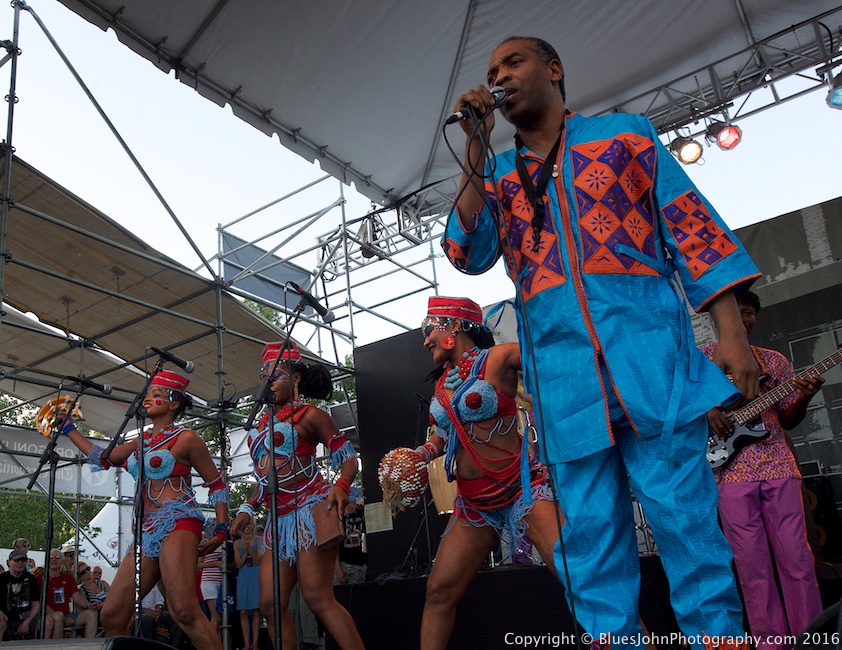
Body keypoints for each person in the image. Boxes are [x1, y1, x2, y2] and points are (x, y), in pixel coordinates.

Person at [443, 36, 763, 649]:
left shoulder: (625, 135)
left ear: (554, 69)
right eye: (492, 70)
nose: (500, 76)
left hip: (653, 366)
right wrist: (476, 146)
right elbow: (465, 251)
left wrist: (730, 332)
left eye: (513, 62)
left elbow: (689, 224)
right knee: (590, 548)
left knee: (689, 532)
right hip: (565, 384)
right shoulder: (498, 174)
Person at [379, 296, 562, 650]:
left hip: (521, 490)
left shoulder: (499, 358)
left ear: (454, 325)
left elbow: (548, 357)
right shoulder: (442, 384)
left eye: (428, 329)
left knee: (579, 576)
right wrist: (421, 454)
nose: (425, 340)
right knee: (438, 591)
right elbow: (444, 434)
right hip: (473, 504)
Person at [59, 370, 230, 649]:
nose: (148, 398)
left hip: (179, 522)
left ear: (174, 404)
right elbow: (103, 458)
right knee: (113, 614)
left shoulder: (186, 438)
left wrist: (221, 530)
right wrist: (69, 429)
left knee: (184, 610)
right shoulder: (141, 441)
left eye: (157, 394)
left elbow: (217, 484)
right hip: (147, 530)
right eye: (148, 394)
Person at [702, 290, 825, 650]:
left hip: (778, 466)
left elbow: (788, 418)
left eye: (749, 313)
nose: (744, 319)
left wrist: (805, 396)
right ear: (719, 317)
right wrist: (707, 411)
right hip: (731, 473)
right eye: (737, 312)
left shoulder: (774, 361)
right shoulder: (702, 360)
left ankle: (811, 639)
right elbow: (683, 407)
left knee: (798, 561)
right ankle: (772, 645)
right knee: (752, 568)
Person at [231, 341, 364, 650]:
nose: (268, 380)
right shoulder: (262, 425)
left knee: (317, 598)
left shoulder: (311, 415)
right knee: (269, 603)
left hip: (309, 512)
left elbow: (349, 458)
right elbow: (266, 478)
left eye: (276, 374)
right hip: (277, 522)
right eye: (264, 375)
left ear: (296, 378)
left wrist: (341, 485)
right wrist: (247, 508)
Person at [39, 549, 99, 638]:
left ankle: (88, 643)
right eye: (51, 558)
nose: (54, 559)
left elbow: (77, 597)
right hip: (49, 616)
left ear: (62, 561)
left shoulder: (68, 578)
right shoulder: (39, 578)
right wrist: (63, 619)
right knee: (58, 616)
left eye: (57, 557)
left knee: (92, 614)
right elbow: (40, 603)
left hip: (67, 614)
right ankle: (57, 645)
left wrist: (88, 605)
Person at [0, 548, 55, 640]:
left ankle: (44, 646)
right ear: (9, 562)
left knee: (47, 622)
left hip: (26, 617)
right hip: (7, 619)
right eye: (17, 560)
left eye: (23, 560)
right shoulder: (1, 579)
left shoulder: (31, 579)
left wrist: (27, 622)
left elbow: (36, 604)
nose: (20, 563)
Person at [234, 520, 263, 650]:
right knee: (243, 612)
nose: (247, 527)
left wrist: (250, 549)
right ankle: (246, 644)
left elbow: (258, 560)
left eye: (249, 524)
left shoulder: (259, 540)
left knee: (256, 611)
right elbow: (238, 564)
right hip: (243, 575)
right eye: (245, 525)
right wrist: (245, 552)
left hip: (256, 574)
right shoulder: (236, 544)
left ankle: (255, 644)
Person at [334, 494, 367, 586]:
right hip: (344, 564)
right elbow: (334, 546)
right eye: (352, 499)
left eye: (356, 498)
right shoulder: (339, 517)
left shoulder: (361, 513)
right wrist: (338, 569)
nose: (354, 501)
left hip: (360, 564)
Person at [198, 528, 223, 635]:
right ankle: (210, 641)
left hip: (221, 581)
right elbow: (197, 565)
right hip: (209, 581)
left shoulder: (222, 542)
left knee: (221, 617)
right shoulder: (205, 543)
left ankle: (219, 641)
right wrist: (215, 564)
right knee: (216, 616)